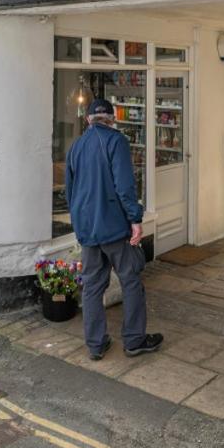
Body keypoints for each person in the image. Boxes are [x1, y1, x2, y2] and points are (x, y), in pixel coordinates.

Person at [65, 97, 162, 360]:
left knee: (93, 287)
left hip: (87, 230)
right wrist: (135, 219)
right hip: (114, 228)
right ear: (112, 118)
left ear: (88, 119)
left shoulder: (75, 147)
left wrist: (79, 224)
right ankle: (134, 340)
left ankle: (96, 345)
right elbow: (124, 186)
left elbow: (70, 193)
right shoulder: (116, 141)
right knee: (131, 281)